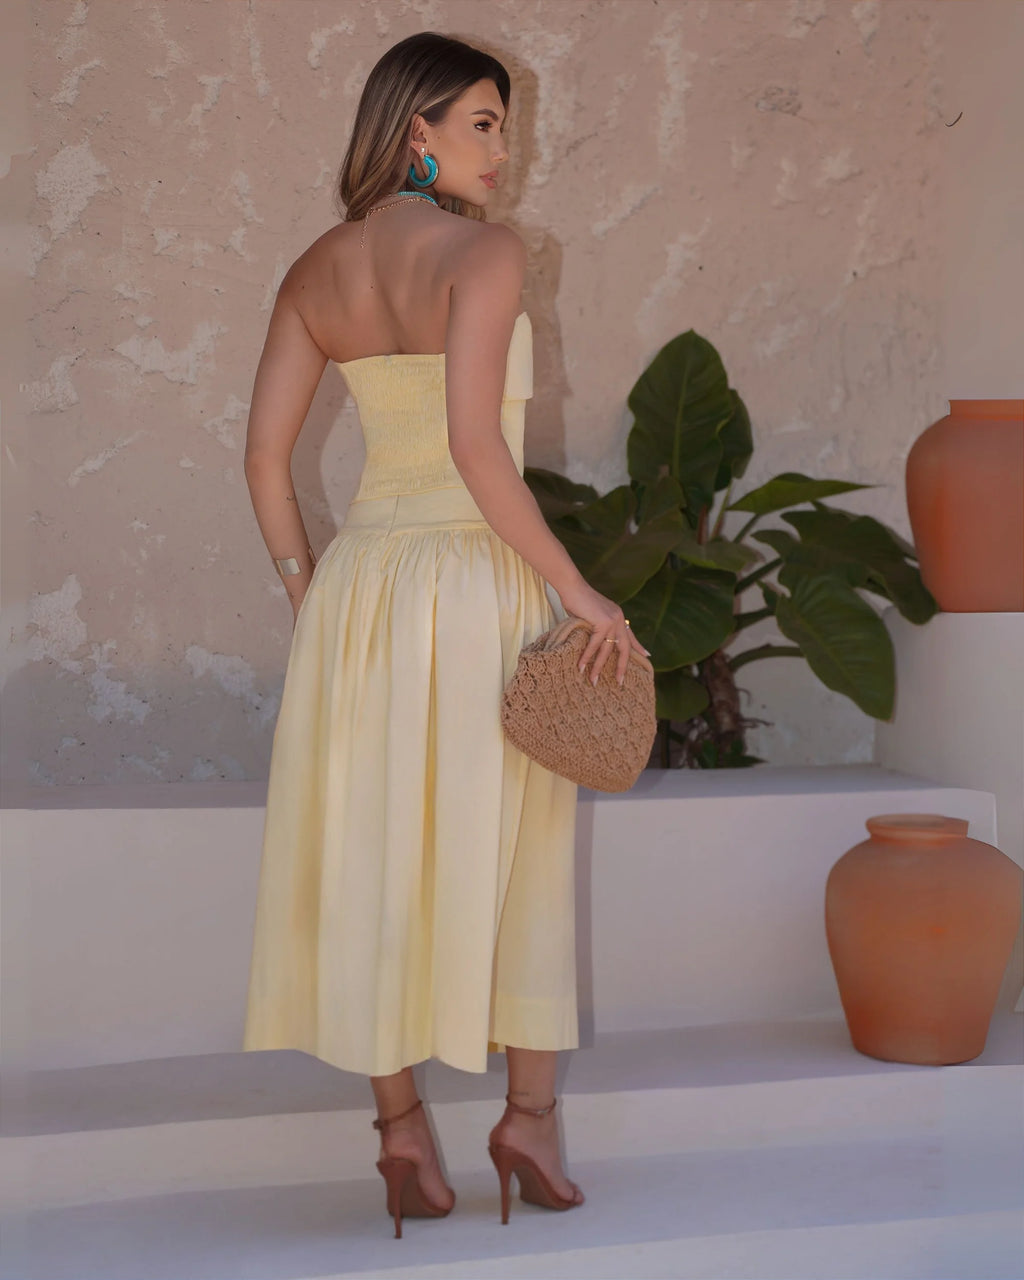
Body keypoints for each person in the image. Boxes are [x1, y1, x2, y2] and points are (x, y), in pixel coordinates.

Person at [240, 31, 648, 1238]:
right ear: (414, 127)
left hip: (361, 588)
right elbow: (478, 448)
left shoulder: (315, 268)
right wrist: (578, 591)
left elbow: (261, 458)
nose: (501, 150)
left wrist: (308, 593)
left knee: (372, 845)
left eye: (501, 126)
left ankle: (401, 1132)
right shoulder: (486, 252)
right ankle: (527, 1120)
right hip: (474, 581)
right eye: (482, 123)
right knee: (520, 839)